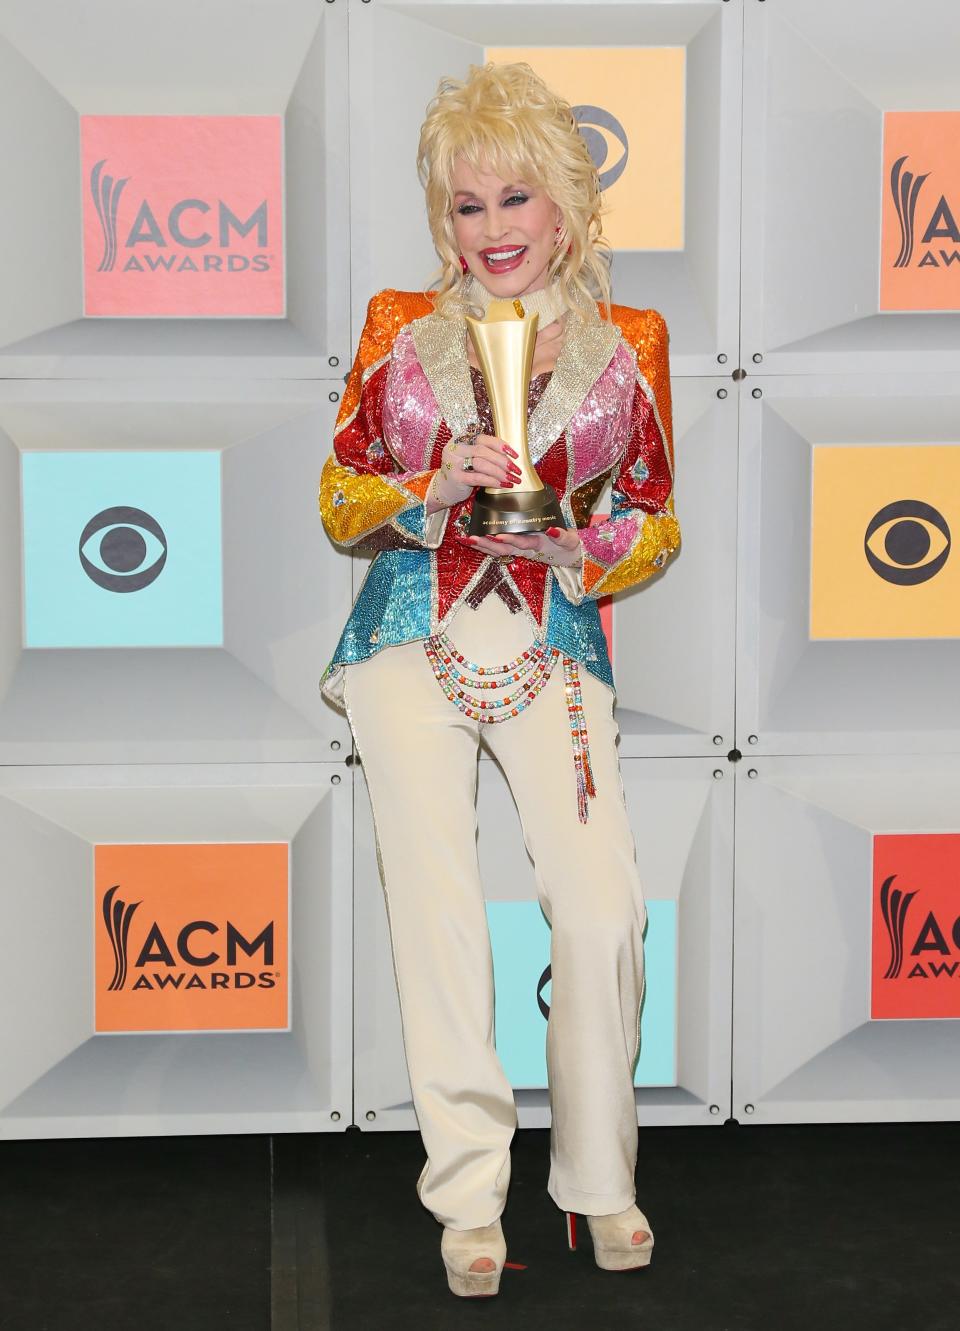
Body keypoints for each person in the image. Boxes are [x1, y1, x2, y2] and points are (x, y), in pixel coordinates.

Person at [318, 61, 681, 1299]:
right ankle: (468, 1194)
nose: (494, 229)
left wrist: (583, 547)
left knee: (597, 908)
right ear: (442, 220)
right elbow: (340, 497)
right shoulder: (392, 328)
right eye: (467, 206)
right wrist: (432, 489)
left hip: (552, 644)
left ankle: (598, 1179)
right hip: (408, 642)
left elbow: (655, 516)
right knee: (439, 924)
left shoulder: (633, 344)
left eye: (516, 197)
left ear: (569, 206)